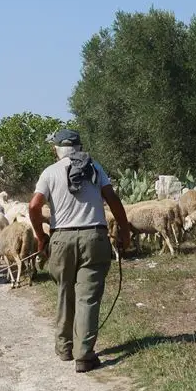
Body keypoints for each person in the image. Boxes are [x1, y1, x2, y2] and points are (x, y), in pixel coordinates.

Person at [28, 129, 130, 373]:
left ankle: (64, 348)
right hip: (94, 236)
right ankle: (84, 355)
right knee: (88, 297)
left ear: (57, 149)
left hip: (61, 238)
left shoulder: (49, 172)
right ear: (79, 147)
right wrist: (124, 231)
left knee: (65, 291)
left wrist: (41, 236)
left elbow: (33, 206)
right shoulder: (94, 166)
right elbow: (112, 198)